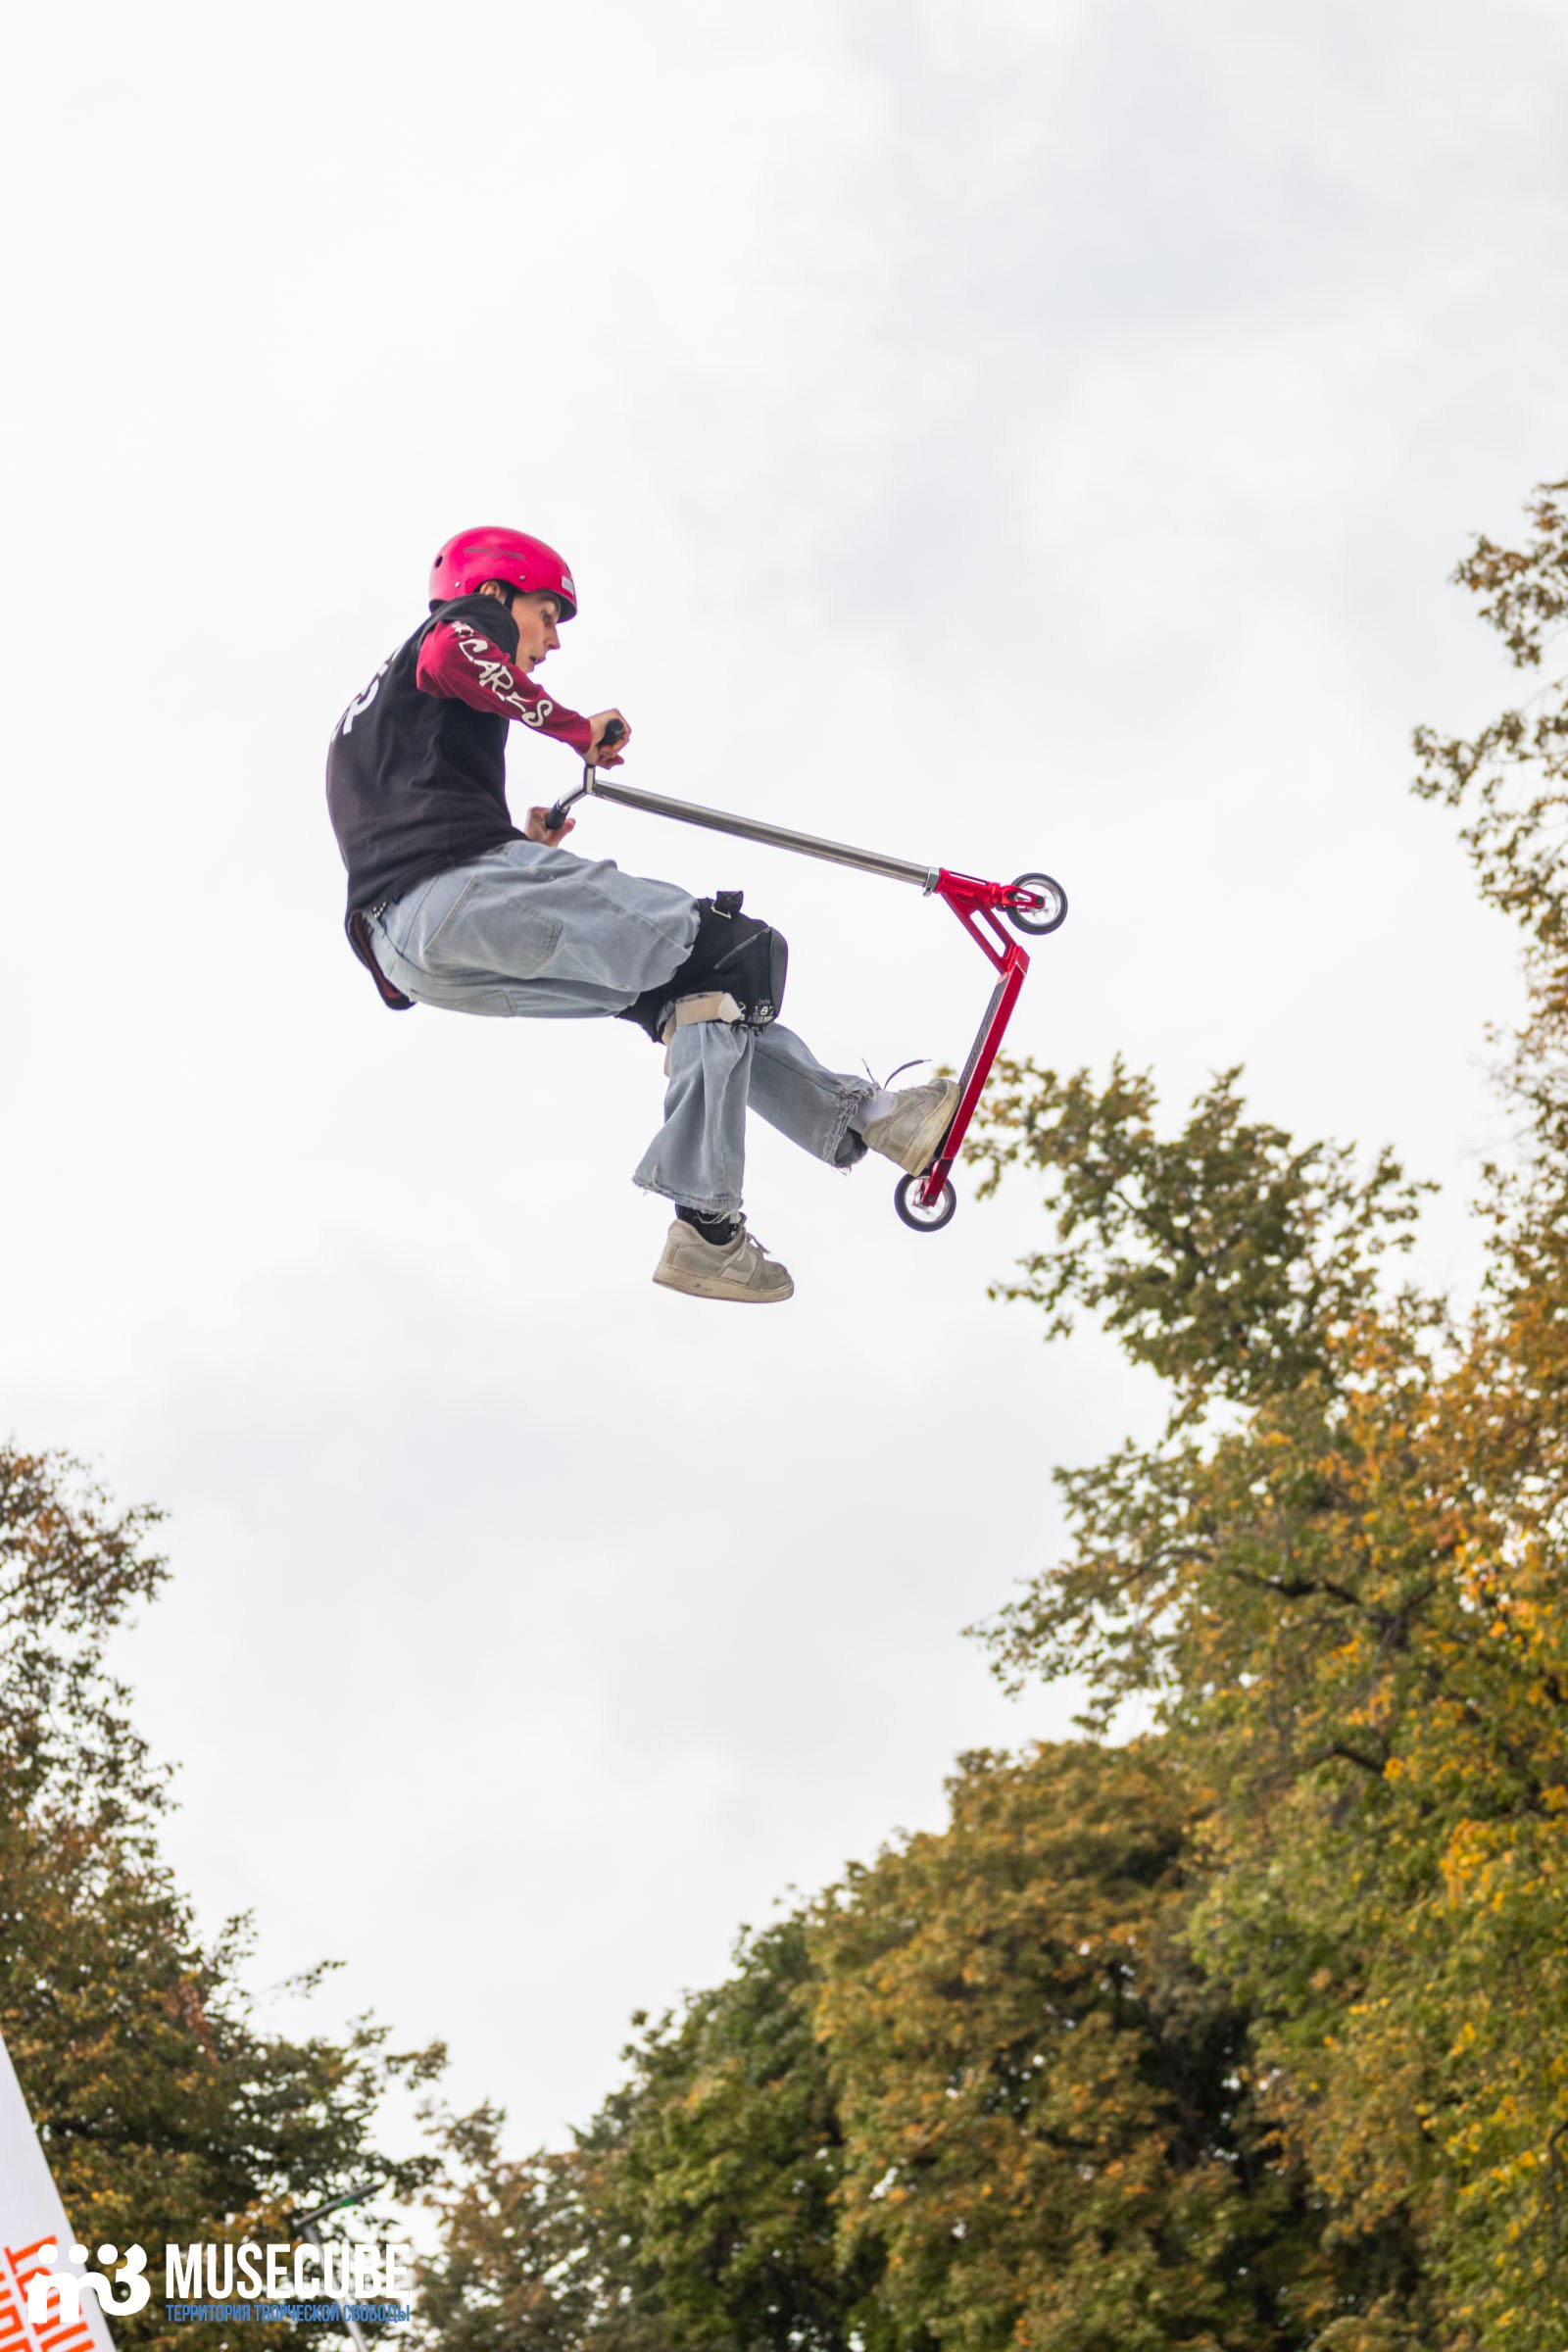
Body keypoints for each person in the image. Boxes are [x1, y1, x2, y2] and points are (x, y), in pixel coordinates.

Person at [324, 525, 957, 1303]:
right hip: (459, 890)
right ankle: (707, 1226)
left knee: (685, 1000)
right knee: (729, 956)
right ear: (495, 592)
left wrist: (523, 846)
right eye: (548, 614)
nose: (552, 641)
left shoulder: (370, 712)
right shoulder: (463, 624)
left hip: (415, 951)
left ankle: (873, 1119)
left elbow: (404, 818)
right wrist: (571, 727)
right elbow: (455, 655)